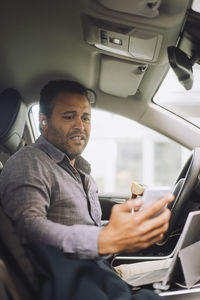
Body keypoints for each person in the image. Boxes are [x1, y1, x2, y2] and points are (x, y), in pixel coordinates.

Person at [0, 80, 174, 299]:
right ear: (43, 122)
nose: (80, 126)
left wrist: (126, 228)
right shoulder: (28, 162)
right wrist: (102, 240)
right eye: (69, 116)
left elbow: (85, 227)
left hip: (103, 276)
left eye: (85, 117)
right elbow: (28, 227)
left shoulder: (81, 171)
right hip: (74, 285)